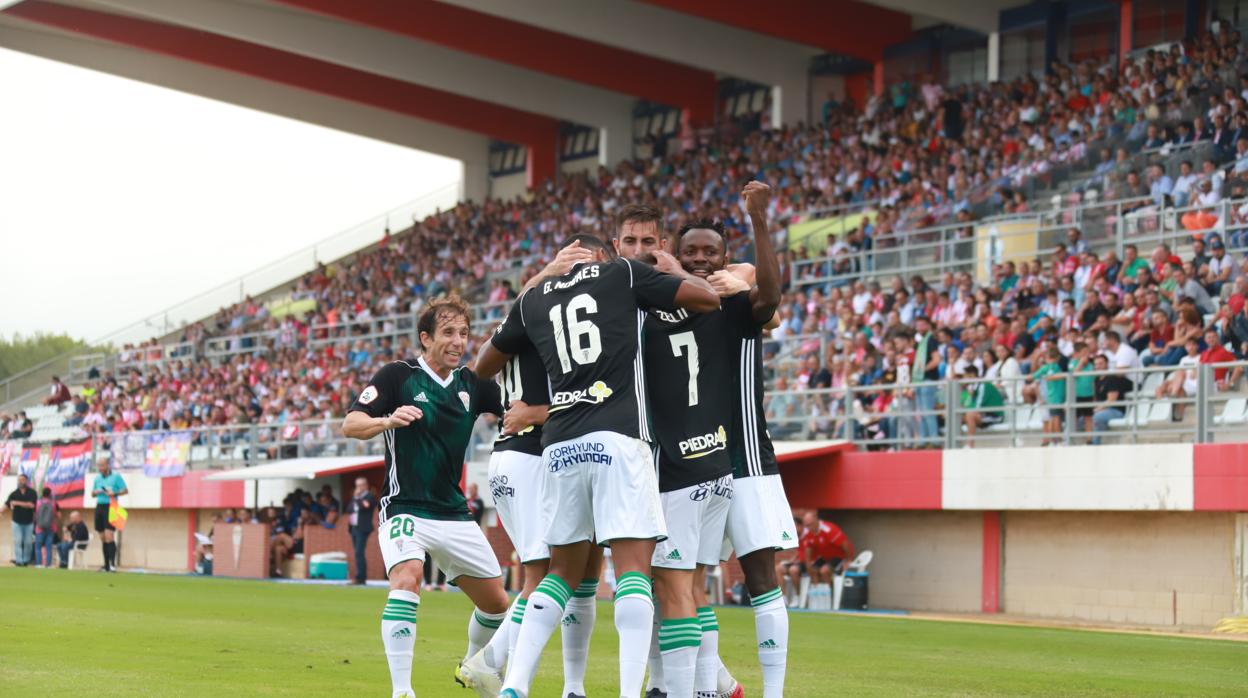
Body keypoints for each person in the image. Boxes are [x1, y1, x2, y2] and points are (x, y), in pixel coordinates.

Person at [476, 221, 719, 698]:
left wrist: (541, 281)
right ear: (603, 257)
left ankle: (516, 686)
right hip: (617, 438)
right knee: (632, 570)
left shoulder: (535, 299)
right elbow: (707, 299)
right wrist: (668, 269)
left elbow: (483, 365)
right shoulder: (623, 275)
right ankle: (630, 693)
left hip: (560, 445)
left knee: (561, 574)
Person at [638, 186, 777, 698]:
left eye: (709, 253)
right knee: (682, 585)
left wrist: (757, 228)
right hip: (700, 464)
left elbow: (771, 302)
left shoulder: (725, 300)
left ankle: (680, 689)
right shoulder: (697, 296)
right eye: (689, 251)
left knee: (674, 585)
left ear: (722, 256)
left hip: (691, 463)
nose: (699, 260)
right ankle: (706, 685)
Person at [342, 296, 511, 698]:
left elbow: (515, 408)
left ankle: (472, 666)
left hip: (453, 513)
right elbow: (351, 423)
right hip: (404, 508)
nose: (458, 341)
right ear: (425, 337)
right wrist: (387, 419)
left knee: (498, 605)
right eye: (448, 333)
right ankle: (402, 691)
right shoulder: (397, 376)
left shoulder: (473, 383)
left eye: (464, 334)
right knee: (407, 578)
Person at [459, 238, 607, 698]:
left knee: (571, 572)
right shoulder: (559, 318)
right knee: (547, 575)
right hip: (531, 454)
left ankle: (546, 679)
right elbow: (574, 399)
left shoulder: (534, 309)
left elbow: (489, 356)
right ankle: (491, 664)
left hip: (518, 455)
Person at [91, 456, 127, 572]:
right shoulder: (97, 478)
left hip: (111, 506)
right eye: (99, 466)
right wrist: (95, 492)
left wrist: (114, 492)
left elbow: (125, 490)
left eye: (102, 465)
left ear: (107, 465)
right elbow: (92, 493)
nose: (100, 468)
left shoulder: (116, 477)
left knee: (109, 536)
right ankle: (105, 565)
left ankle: (112, 564)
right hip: (99, 507)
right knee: (102, 537)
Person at [960, 365, 1006, 446]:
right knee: (957, 417)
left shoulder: (983, 385)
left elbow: (977, 406)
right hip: (983, 414)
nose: (963, 379)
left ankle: (970, 446)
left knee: (970, 415)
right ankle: (956, 445)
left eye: (965, 376)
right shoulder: (974, 388)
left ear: (972, 375)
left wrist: (964, 411)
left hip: (994, 415)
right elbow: (971, 406)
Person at [348, 476, 376, 585]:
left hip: (363, 528)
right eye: (357, 486)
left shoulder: (369, 496)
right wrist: (355, 498)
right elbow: (349, 509)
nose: (358, 488)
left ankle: (360, 577)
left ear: (365, 485)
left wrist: (357, 498)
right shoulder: (356, 498)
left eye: (360, 485)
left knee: (359, 552)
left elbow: (365, 507)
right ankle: (360, 577)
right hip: (354, 527)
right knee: (357, 553)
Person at [4, 474, 37, 566]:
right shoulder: (14, 493)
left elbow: (31, 505)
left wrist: (16, 502)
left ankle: (26, 560)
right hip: (16, 521)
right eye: (19, 480)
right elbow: (6, 504)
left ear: (26, 481)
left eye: (22, 480)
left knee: (28, 543)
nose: (20, 481)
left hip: (28, 522)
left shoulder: (32, 493)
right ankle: (19, 561)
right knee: (17, 541)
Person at [33, 487, 59, 568]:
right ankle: (48, 564)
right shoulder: (53, 503)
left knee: (38, 547)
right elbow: (57, 515)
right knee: (48, 547)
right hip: (50, 528)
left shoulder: (37, 502)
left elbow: (35, 514)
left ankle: (38, 564)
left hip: (39, 528)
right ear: (50, 494)